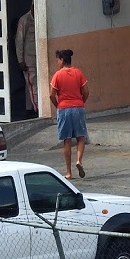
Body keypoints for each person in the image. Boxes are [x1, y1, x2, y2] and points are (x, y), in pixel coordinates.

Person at [49, 49, 89, 180]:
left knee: (66, 140)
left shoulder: (57, 75)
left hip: (64, 109)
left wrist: (58, 106)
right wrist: (80, 103)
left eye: (58, 60)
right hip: (78, 108)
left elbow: (51, 95)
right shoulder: (78, 73)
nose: (57, 62)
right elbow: (86, 91)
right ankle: (79, 161)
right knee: (81, 137)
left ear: (62, 60)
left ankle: (68, 172)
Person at [15, 2, 38, 117]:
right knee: (32, 83)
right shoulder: (24, 20)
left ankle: (30, 108)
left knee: (31, 84)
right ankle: (37, 108)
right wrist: (20, 60)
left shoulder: (38, 18)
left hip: (37, 57)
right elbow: (19, 41)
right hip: (28, 59)